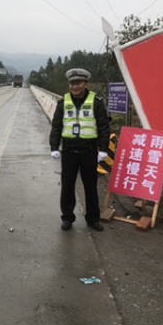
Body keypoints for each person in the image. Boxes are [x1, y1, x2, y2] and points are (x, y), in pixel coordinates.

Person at [49, 68, 111, 232]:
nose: (75, 86)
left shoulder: (96, 103)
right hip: (69, 152)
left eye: (78, 83)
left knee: (90, 187)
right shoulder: (63, 103)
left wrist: (103, 149)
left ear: (85, 84)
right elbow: (56, 126)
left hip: (89, 152)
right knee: (67, 187)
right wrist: (54, 147)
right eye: (72, 83)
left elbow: (104, 127)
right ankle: (67, 218)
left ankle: (92, 219)